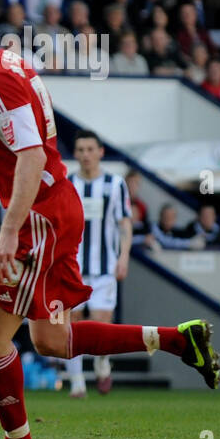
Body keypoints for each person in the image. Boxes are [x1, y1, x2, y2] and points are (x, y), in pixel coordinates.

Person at [0, 0, 220, 439]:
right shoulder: (10, 64)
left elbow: (29, 154)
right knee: (50, 340)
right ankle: (175, 340)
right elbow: (28, 141)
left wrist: (9, 230)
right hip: (57, 207)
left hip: (40, 217)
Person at [66, 130, 133, 397]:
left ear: (100, 152)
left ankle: (103, 363)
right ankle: (77, 383)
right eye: (80, 150)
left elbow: (124, 222)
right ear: (76, 153)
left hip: (105, 266)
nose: (85, 155)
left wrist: (123, 256)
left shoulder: (115, 184)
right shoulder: (68, 183)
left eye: (90, 149)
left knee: (101, 325)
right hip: (73, 266)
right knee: (71, 323)